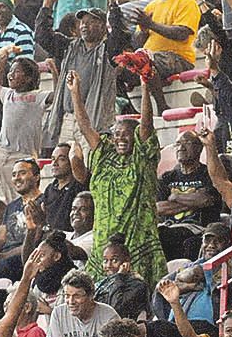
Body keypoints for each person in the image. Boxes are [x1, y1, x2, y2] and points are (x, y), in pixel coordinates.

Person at [69, 71, 163, 282]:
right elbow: (85, 127)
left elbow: (146, 125)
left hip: (137, 241)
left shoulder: (142, 159)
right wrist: (75, 93)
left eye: (125, 134)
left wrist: (145, 86)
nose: (120, 138)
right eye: (116, 135)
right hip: (104, 245)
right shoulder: (104, 158)